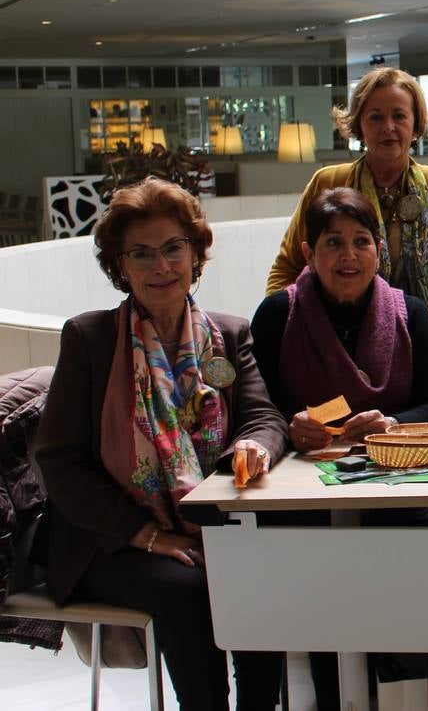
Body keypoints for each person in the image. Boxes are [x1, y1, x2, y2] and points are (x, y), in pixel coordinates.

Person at [34, 178, 286, 711]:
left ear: (196, 255)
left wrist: (256, 447)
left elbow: (263, 418)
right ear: (119, 267)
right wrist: (146, 534)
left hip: (211, 526)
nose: (160, 266)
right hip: (110, 538)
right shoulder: (90, 339)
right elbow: (60, 462)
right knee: (186, 588)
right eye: (142, 254)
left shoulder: (231, 334)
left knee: (259, 576)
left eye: (173, 248)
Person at [267, 67, 428, 324]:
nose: (388, 127)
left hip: (415, 349)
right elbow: (287, 268)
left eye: (399, 116)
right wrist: (286, 331)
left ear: (416, 124)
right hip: (329, 351)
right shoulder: (327, 183)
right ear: (359, 124)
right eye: (375, 117)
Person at [251, 187, 428, 450]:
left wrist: (392, 423)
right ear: (309, 254)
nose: (349, 255)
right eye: (334, 242)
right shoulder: (276, 314)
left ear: (378, 252)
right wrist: (291, 425)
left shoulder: (412, 314)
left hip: (394, 461)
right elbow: (256, 407)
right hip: (300, 466)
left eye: (361, 242)